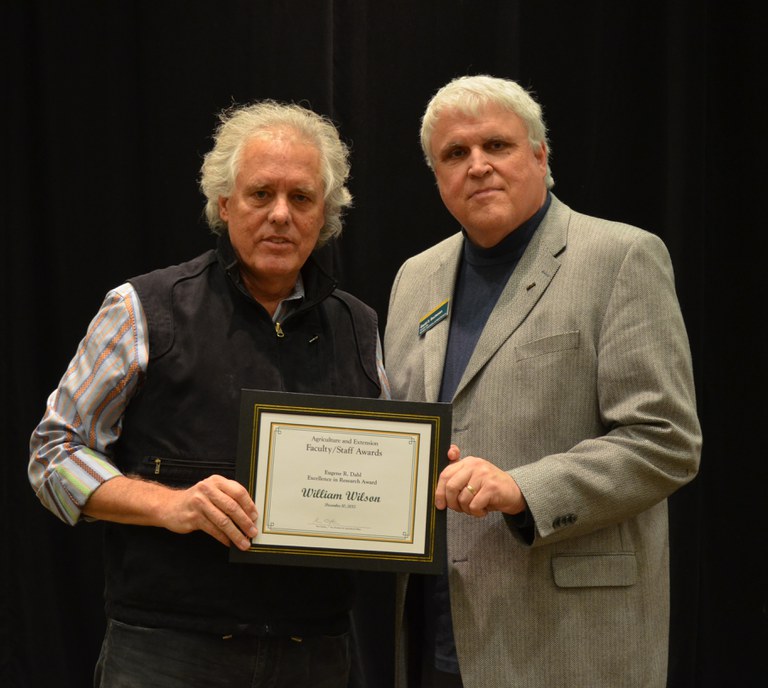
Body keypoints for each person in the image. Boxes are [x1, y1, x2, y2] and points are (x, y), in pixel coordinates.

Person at [29, 100, 389, 688]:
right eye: (259, 194)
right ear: (224, 205)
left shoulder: (361, 326)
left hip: (317, 650)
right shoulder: (143, 308)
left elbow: (379, 478)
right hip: (169, 652)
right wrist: (170, 505)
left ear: (324, 215)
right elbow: (51, 455)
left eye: (301, 198)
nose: (280, 214)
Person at [384, 75, 702, 688]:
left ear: (540, 155)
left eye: (497, 146)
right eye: (455, 154)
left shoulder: (620, 258)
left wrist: (525, 489)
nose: (477, 166)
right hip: (434, 636)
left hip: (566, 641)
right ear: (437, 176)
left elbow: (665, 440)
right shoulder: (414, 279)